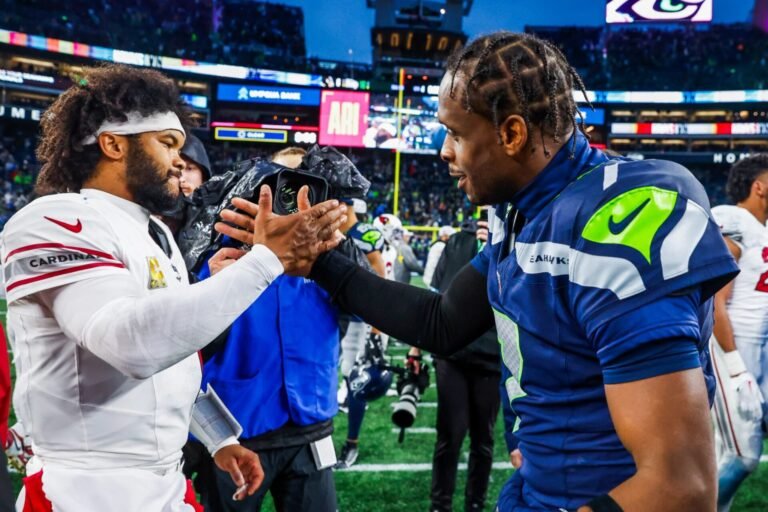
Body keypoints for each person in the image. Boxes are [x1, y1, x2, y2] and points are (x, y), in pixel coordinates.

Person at [298, 32, 739, 511]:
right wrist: (318, 261)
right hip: (538, 488)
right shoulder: (525, 210)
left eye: (456, 133)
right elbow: (443, 322)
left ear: (511, 134)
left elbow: (680, 487)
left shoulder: (621, 219)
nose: (444, 151)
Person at [0, 64, 347, 512]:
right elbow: (130, 345)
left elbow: (173, 363)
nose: (180, 161)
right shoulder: (56, 219)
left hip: (164, 481)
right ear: (113, 144)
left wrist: (219, 438)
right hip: (83, 489)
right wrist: (267, 260)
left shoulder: (156, 234)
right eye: (167, 143)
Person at [191, 146, 350, 512]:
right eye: (284, 183)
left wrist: (342, 245)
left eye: (307, 183)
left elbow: (363, 309)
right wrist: (215, 284)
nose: (294, 197)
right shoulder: (221, 244)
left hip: (310, 422)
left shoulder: (331, 250)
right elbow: (190, 333)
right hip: (236, 427)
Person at [409, 216, 501, 512]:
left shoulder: (515, 241)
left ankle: (475, 504)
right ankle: (440, 505)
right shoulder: (457, 242)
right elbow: (437, 296)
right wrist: (416, 346)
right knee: (450, 435)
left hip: (493, 356)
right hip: (454, 354)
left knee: (483, 440)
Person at [709, 155, 768, 511]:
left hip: (759, 350)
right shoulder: (734, 220)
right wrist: (734, 366)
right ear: (758, 186)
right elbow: (714, 299)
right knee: (742, 455)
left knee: (723, 452)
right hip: (730, 347)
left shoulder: (762, 229)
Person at [335, 199, 388, 468]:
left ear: (346, 206)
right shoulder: (337, 233)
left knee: (356, 380)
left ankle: (351, 443)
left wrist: (376, 330)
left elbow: (380, 283)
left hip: (362, 321)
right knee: (337, 373)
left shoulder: (365, 234)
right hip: (339, 315)